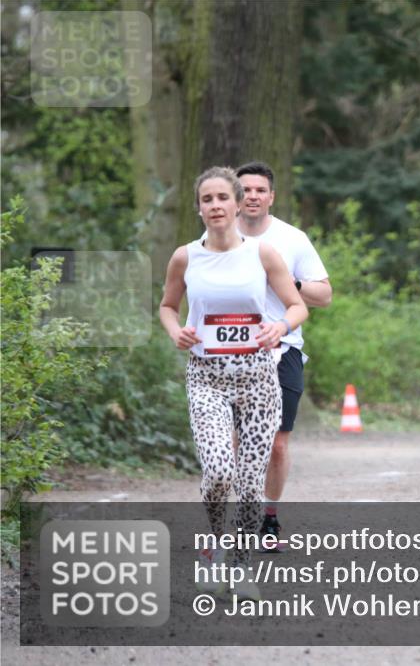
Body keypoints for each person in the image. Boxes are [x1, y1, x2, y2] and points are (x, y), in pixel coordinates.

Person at [159, 166, 307, 598]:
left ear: (238, 204)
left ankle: (240, 567)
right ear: (198, 208)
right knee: (219, 471)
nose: (216, 205)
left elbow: (297, 306)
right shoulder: (185, 256)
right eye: (207, 199)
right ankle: (214, 545)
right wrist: (176, 331)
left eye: (223, 197)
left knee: (250, 481)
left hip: (259, 378)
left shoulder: (263, 254)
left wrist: (280, 327)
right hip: (207, 377)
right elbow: (167, 306)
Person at [230, 161, 331, 551]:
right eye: (246, 190)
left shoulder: (293, 239)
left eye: (260, 190)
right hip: (231, 349)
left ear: (271, 197)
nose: (253, 196)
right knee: (236, 441)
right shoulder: (216, 237)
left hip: (282, 349)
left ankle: (269, 519)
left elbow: (324, 295)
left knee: (277, 444)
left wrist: (290, 282)